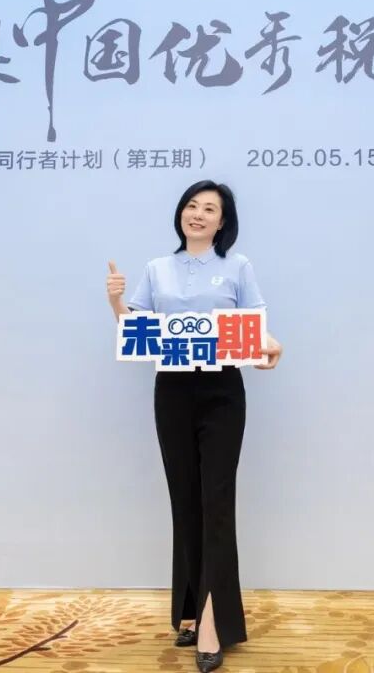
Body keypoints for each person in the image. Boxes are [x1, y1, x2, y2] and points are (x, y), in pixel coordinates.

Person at [106, 180, 282, 672]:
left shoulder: (238, 266)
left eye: (209, 209)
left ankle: (211, 623)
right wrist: (116, 302)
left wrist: (272, 346)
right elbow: (135, 329)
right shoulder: (156, 269)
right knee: (184, 500)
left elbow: (256, 325)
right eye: (191, 205)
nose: (198, 214)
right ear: (181, 214)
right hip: (173, 391)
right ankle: (187, 610)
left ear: (223, 222)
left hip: (222, 391)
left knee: (216, 503)